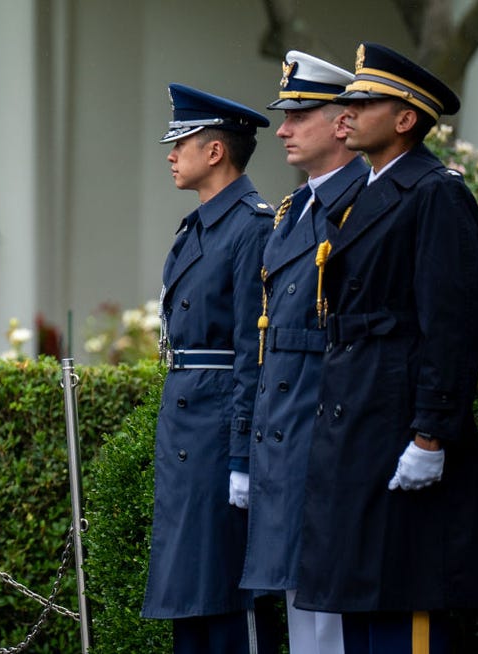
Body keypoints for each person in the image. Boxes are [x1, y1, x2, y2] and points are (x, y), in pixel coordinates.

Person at [295, 42, 478, 653]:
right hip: (358, 421)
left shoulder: (435, 192)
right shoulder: (367, 192)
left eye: (365, 101)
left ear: (406, 119)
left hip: (395, 424)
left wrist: (430, 433)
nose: (348, 110)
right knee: (361, 599)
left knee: (402, 607)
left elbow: (453, 323)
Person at [141, 84, 279, 653]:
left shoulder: (251, 227)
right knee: (189, 598)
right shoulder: (196, 227)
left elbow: (254, 354)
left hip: (219, 428)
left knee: (225, 596)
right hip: (187, 426)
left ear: (216, 151)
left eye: (183, 142)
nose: (171, 154)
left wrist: (242, 454)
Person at [239, 51, 368, 654]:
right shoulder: (296, 211)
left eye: (299, 114)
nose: (284, 129)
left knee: (334, 616)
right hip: (286, 440)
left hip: (325, 437)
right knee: (303, 617)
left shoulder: (359, 206)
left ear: (343, 121)